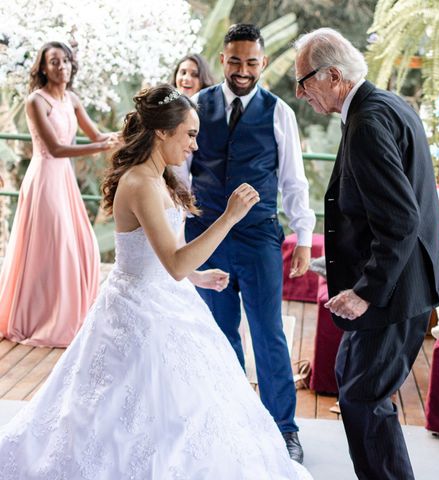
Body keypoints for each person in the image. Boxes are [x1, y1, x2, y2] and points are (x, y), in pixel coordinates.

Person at [0, 84, 313, 480]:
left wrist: (199, 275)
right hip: (137, 311)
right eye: (191, 134)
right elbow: (175, 262)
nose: (195, 146)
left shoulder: (158, 178)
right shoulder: (140, 184)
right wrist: (230, 217)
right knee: (129, 408)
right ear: (163, 132)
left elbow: (162, 256)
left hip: (166, 298)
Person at [294, 28, 439, 479]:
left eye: (304, 81)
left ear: (333, 75)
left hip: (396, 289)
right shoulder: (385, 104)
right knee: (353, 379)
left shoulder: (367, 122)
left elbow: (400, 218)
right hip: (404, 281)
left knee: (363, 396)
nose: (301, 92)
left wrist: (365, 291)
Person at [175, 24, 315, 463]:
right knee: (218, 335)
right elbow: (179, 174)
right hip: (205, 237)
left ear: (264, 64)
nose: (242, 70)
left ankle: (283, 429)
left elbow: (294, 182)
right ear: (222, 59)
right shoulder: (196, 105)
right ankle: (232, 421)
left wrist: (305, 239)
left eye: (251, 62)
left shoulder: (279, 113)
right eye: (235, 61)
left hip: (258, 239)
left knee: (268, 333)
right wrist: (177, 231)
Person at [0, 41, 119, 347]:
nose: (61, 66)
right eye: (54, 61)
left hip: (64, 179)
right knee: (55, 247)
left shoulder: (72, 99)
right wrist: (101, 147)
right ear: (42, 67)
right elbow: (55, 148)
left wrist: (124, 137)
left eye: (65, 61)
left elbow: (97, 135)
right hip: (45, 177)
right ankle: (42, 317)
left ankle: (67, 313)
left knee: (84, 245)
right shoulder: (35, 102)